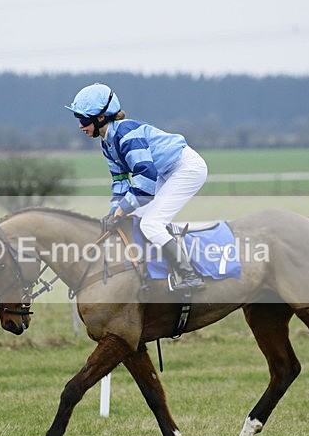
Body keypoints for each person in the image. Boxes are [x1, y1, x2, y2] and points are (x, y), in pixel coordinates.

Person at [66, 83, 207, 292]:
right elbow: (120, 181)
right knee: (136, 219)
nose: (80, 126)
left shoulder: (126, 134)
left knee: (150, 224)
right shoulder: (107, 143)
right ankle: (150, 276)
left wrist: (122, 210)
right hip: (164, 172)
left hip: (185, 168)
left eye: (84, 120)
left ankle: (190, 275)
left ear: (101, 117)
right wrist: (114, 211)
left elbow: (145, 183)